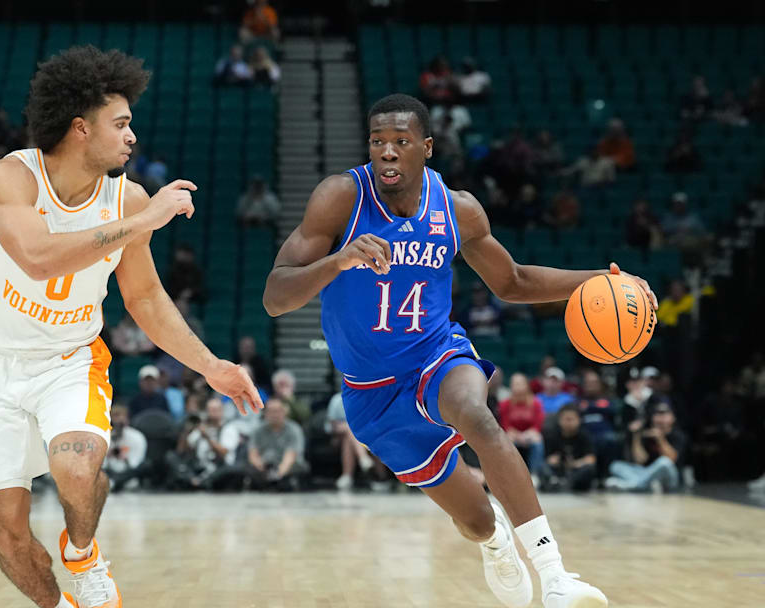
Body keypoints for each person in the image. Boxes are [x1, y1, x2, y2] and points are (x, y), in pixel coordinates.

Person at [264, 93, 657, 607]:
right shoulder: (341, 197)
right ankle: (497, 544)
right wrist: (338, 262)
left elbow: (512, 281)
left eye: (400, 142)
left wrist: (602, 282)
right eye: (377, 141)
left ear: (426, 147)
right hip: (372, 394)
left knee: (478, 414)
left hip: (435, 355)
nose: (386, 152)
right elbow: (275, 296)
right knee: (474, 520)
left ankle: (557, 576)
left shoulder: (456, 209)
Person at [0, 46, 261, 608]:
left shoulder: (126, 197)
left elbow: (145, 298)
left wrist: (211, 365)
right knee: (4, 527)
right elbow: (39, 258)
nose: (131, 137)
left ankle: (83, 553)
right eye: (120, 124)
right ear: (79, 128)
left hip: (69, 360)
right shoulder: (12, 177)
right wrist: (143, 221)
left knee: (76, 461)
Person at [605, 401, 685, 492]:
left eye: (665, 415)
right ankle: (644, 484)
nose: (661, 419)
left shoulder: (678, 435)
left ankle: (635, 486)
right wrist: (636, 435)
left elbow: (672, 459)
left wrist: (660, 439)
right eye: (657, 415)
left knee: (664, 462)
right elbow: (640, 460)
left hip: (669, 477)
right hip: (647, 474)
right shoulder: (646, 433)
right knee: (616, 465)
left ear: (673, 418)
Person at [246, 398, 308, 491]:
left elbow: (290, 456)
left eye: (278, 411)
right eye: (271, 411)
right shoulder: (258, 430)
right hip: (264, 466)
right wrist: (261, 468)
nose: (274, 415)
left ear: (285, 412)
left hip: (290, 467)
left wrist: (278, 474)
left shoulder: (294, 429)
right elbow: (253, 454)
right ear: (265, 413)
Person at [499, 373, 546, 478]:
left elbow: (537, 425)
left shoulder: (536, 403)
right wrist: (518, 436)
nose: (518, 387)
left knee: (538, 441)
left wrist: (526, 435)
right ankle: (512, 475)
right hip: (513, 435)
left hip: (530, 434)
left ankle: (534, 474)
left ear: (526, 385)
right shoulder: (505, 404)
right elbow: (505, 425)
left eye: (520, 384)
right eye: (515, 384)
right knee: (507, 440)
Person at [542, 406, 596, 493]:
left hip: (576, 470)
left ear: (579, 420)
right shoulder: (552, 436)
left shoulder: (584, 436)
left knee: (589, 469)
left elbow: (591, 459)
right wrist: (553, 460)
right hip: (559, 470)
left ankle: (567, 484)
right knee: (543, 467)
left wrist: (576, 464)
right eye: (566, 419)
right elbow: (547, 458)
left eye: (571, 419)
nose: (569, 422)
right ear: (559, 420)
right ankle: (554, 482)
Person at [101, 404, 147, 492]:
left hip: (128, 473)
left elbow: (136, 463)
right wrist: (108, 455)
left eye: (122, 416)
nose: (119, 420)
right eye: (116, 416)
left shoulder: (137, 436)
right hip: (110, 472)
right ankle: (114, 482)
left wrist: (125, 458)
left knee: (145, 466)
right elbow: (103, 464)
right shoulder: (105, 436)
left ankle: (115, 482)